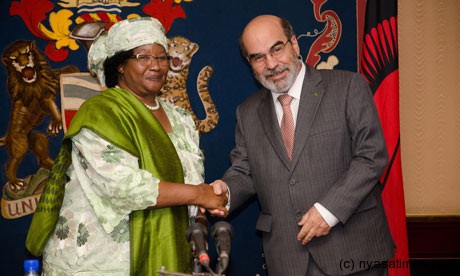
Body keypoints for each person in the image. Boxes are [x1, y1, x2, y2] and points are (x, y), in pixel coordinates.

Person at [25, 17, 227, 276]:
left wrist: (201, 211)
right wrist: (200, 193)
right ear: (120, 65)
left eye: (162, 57)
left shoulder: (181, 118)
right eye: (143, 57)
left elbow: (190, 180)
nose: (155, 65)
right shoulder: (101, 113)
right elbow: (124, 188)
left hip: (168, 255)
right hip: (101, 263)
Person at [210, 15, 395, 275]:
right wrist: (225, 191)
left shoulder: (347, 86)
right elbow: (245, 172)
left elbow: (371, 156)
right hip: (288, 258)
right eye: (258, 57)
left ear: (294, 45)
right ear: (250, 64)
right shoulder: (247, 112)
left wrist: (328, 210)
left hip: (352, 250)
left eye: (277, 49)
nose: (272, 64)